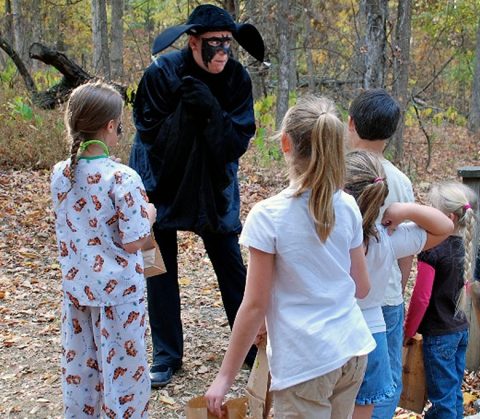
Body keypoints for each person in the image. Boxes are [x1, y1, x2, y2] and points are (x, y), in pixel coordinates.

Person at [205, 96, 376, 418]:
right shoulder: (348, 206)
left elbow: (254, 304)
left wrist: (223, 378)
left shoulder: (269, 215)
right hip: (352, 349)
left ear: (285, 143)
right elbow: (362, 287)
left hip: (306, 360)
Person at [129, 3, 265, 388]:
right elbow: (147, 135)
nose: (222, 51)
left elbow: (235, 143)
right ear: (192, 42)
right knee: (156, 269)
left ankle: (253, 350)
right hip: (160, 184)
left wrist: (210, 112)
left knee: (233, 268)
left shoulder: (236, 79)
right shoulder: (160, 75)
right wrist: (184, 115)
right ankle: (166, 354)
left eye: (227, 43)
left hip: (213, 188)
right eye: (213, 43)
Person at [50, 81, 156, 418]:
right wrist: (149, 214)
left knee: (82, 374)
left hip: (77, 291)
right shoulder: (122, 177)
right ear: (111, 126)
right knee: (124, 377)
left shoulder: (60, 174)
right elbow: (133, 240)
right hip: (120, 295)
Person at [343, 151, 454, 419]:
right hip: (373, 339)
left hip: (334, 338)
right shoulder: (385, 239)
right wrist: (406, 209)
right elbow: (444, 226)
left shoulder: (326, 237)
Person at [347, 88, 415, 418]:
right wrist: (398, 286)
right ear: (390, 134)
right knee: (383, 380)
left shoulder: (336, 173)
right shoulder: (400, 181)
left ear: (350, 124)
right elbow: (407, 253)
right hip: (385, 297)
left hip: (343, 294)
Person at [404, 181, 478, 418]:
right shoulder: (465, 247)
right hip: (459, 331)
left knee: (442, 400)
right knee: (453, 392)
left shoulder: (432, 251)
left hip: (439, 337)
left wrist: (408, 331)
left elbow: (421, 298)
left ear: (448, 217)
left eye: (431, 208)